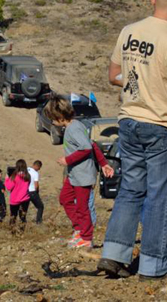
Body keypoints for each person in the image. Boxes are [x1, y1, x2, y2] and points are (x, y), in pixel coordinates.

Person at [98, 0, 167, 281]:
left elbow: (114, 74)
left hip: (129, 120)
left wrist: (133, 83)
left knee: (130, 189)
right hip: (162, 125)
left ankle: (113, 255)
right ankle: (153, 266)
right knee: (159, 195)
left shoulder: (129, 32)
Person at [46, 97, 114, 248]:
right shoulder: (75, 125)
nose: (52, 122)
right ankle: (79, 228)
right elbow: (92, 144)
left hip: (83, 175)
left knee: (83, 207)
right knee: (65, 198)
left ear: (59, 116)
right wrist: (104, 164)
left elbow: (86, 148)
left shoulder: (74, 128)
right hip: (74, 175)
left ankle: (87, 238)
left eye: (52, 119)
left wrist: (67, 160)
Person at [4, 159, 31, 226]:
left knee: (13, 217)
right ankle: (22, 233)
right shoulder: (28, 176)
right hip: (25, 199)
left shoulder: (14, 176)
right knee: (23, 217)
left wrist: (7, 179)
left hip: (15, 200)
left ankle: (13, 233)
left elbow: (8, 187)